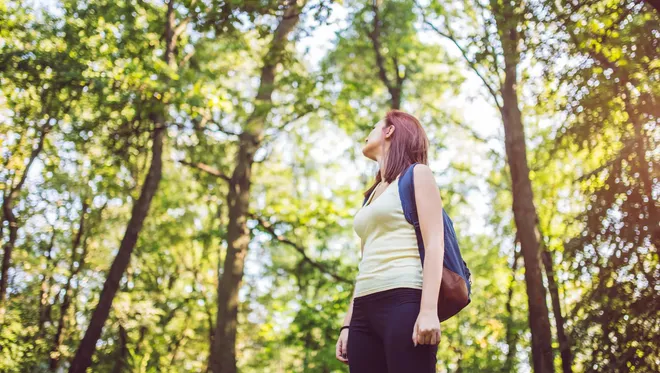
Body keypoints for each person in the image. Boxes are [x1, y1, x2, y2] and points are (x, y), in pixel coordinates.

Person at [335, 110, 445, 373]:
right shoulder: (371, 195)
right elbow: (365, 263)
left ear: (389, 130)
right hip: (363, 309)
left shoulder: (418, 175)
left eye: (374, 127)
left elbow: (434, 244)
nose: (367, 135)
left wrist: (429, 310)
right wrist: (348, 324)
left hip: (404, 300)